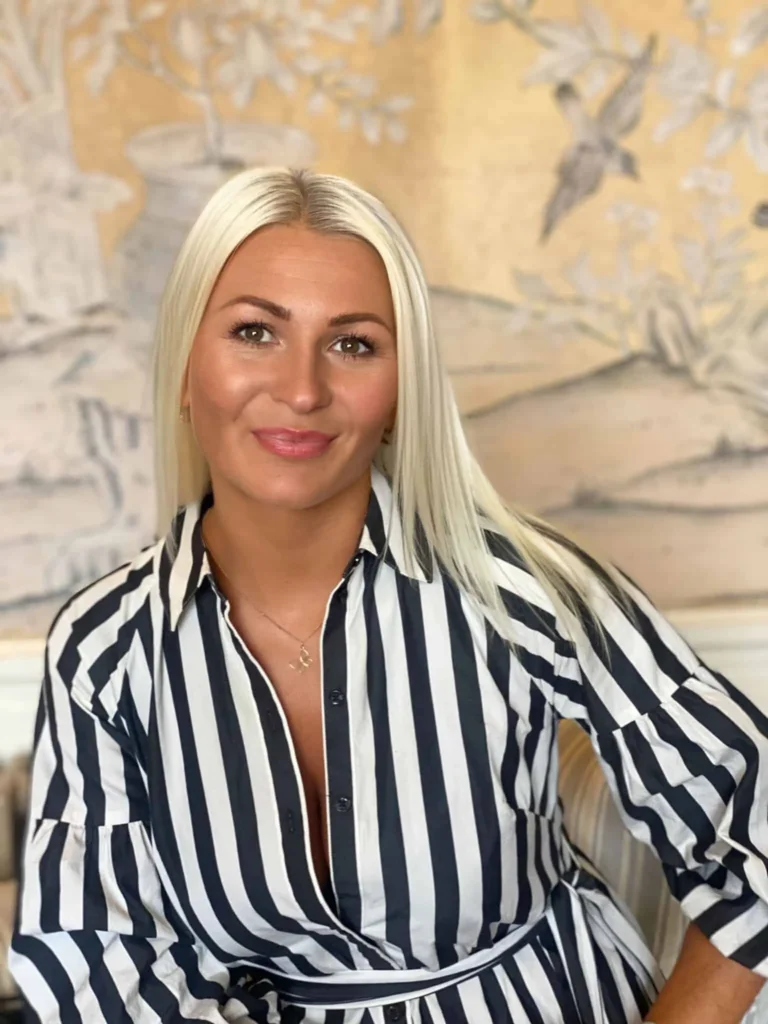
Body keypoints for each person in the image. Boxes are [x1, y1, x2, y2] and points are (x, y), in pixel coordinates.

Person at [9, 167, 768, 1024]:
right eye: (255, 332)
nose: (302, 389)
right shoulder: (106, 651)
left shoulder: (523, 589)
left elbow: (757, 822)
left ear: (403, 392)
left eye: (354, 344)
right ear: (186, 369)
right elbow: (96, 961)